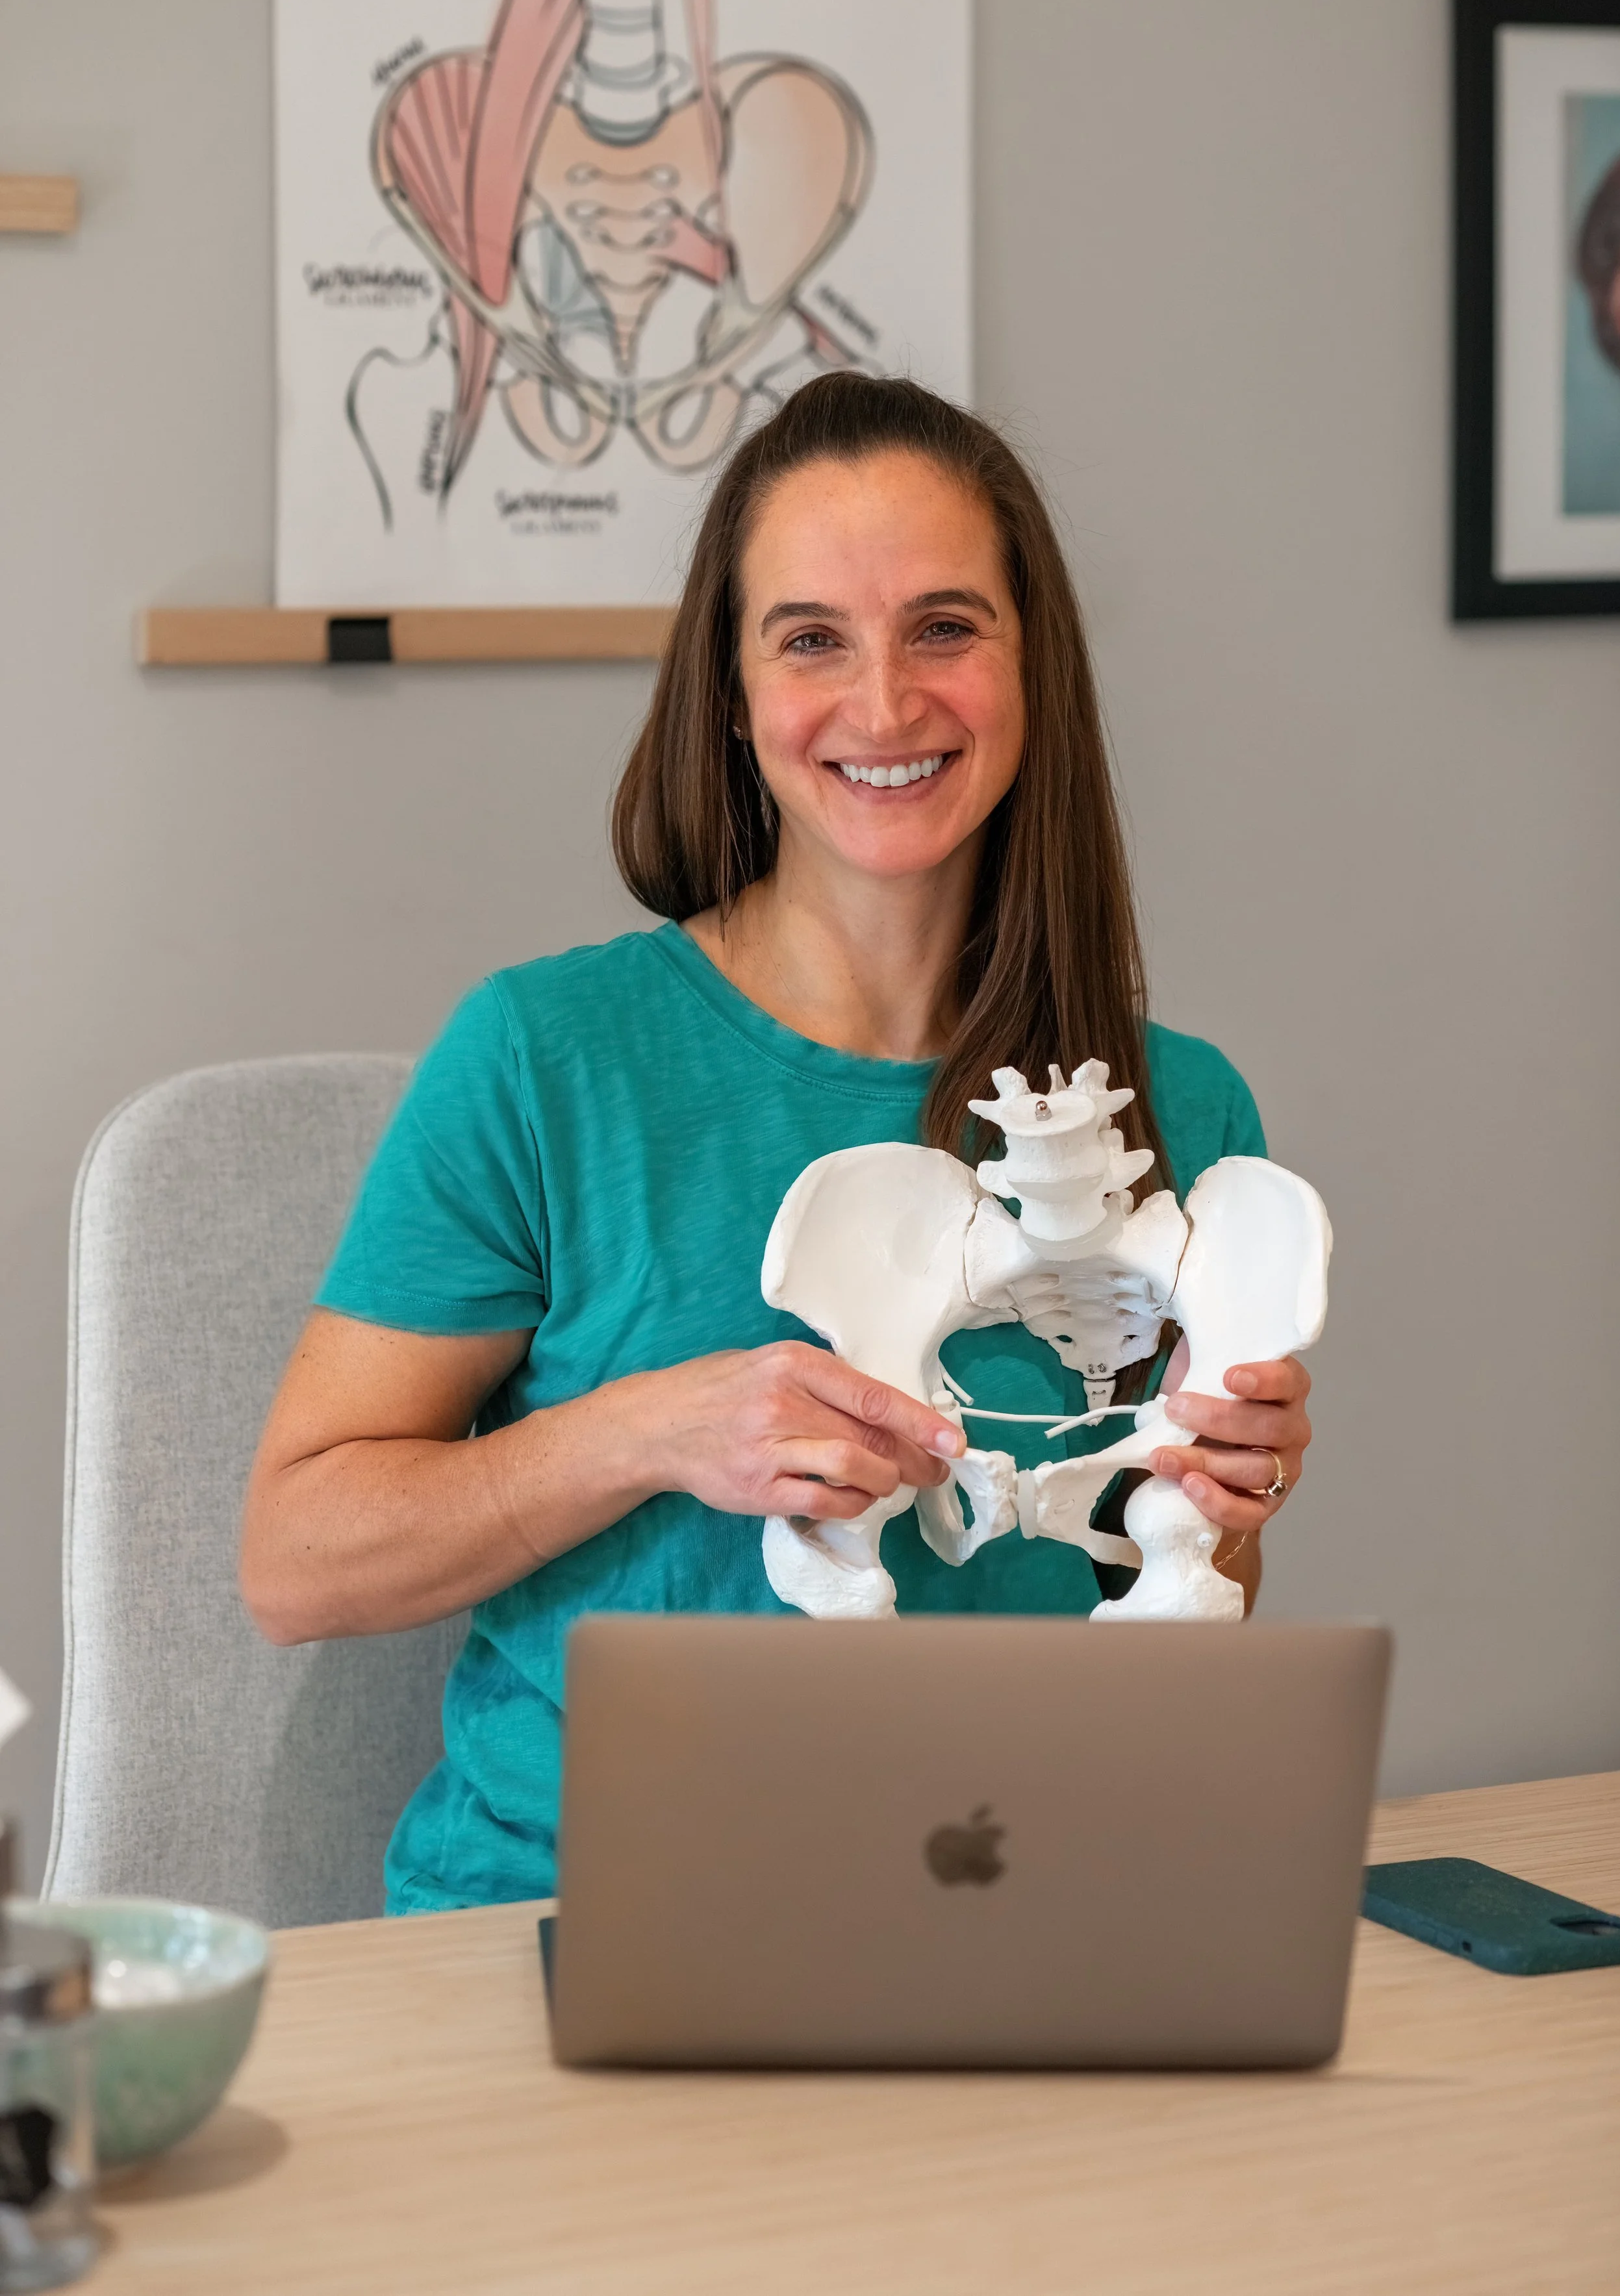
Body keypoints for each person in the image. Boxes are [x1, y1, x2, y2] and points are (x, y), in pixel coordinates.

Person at [241, 374, 1312, 1914]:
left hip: (1008, 1903)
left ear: (1033, 672)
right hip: (583, 1912)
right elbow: (295, 1561)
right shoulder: (545, 1060)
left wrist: (1224, 1497)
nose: (882, 705)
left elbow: (1164, 1606)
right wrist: (653, 1433)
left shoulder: (1183, 1107)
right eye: (811, 637)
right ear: (732, 696)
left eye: (944, 627)